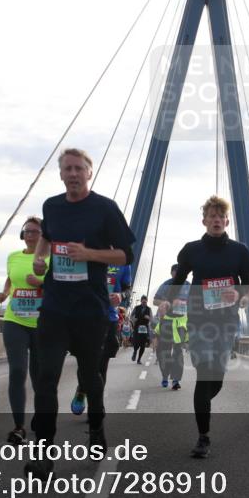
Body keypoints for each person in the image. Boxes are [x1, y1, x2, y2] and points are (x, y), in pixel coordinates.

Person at [28, 148, 136, 477]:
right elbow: (46, 237)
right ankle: (43, 452)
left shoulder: (105, 209)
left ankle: (97, 427)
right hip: (55, 306)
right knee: (46, 378)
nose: (73, 174)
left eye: (79, 169)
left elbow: (125, 256)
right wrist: (39, 256)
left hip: (90, 308)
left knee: (90, 376)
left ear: (90, 173)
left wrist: (88, 253)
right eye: (67, 169)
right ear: (61, 174)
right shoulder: (52, 206)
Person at [161, 195, 249, 459]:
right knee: (204, 375)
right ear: (204, 221)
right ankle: (203, 436)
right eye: (211, 216)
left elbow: (248, 282)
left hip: (226, 321)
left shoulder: (240, 251)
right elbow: (179, 279)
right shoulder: (191, 250)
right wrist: (168, 303)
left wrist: (241, 296)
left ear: (227, 221)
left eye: (220, 216)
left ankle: (204, 404)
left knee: (217, 378)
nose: (216, 220)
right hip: (199, 319)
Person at [0, 216, 46, 444]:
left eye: (34, 231)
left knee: (38, 376)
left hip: (42, 323)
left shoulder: (51, 258)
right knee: (17, 371)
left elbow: (60, 286)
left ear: (43, 235)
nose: (29, 235)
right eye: (26, 231)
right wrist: (4, 293)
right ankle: (18, 427)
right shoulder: (13, 257)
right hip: (14, 320)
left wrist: (41, 284)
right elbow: (10, 279)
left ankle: (40, 415)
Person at [71, 262, 132, 416]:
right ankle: (82, 390)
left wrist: (120, 295)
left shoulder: (123, 261)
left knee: (101, 364)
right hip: (84, 316)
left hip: (108, 318)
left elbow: (127, 289)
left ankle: (96, 406)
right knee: (85, 362)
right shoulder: (86, 251)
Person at [154, 301, 187, 389]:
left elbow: (188, 329)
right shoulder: (164, 320)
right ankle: (165, 376)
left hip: (178, 339)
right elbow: (157, 331)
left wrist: (187, 341)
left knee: (178, 359)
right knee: (164, 359)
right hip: (164, 340)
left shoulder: (184, 317)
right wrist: (155, 342)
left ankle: (175, 380)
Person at [129, 295, 153, 363]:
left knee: (143, 345)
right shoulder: (136, 308)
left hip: (145, 328)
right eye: (143, 302)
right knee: (136, 342)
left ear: (147, 301)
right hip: (137, 327)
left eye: (145, 302)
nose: (144, 303)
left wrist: (148, 318)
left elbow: (152, 319)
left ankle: (139, 359)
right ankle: (135, 351)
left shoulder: (149, 309)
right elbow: (131, 316)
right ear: (141, 301)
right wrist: (134, 319)